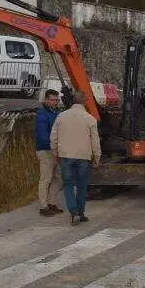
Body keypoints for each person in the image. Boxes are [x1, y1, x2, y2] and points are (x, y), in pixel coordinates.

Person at [50, 90, 101, 225]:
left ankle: (74, 212)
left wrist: (55, 153)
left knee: (68, 185)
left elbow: (53, 137)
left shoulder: (61, 116)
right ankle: (81, 213)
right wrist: (96, 157)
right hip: (84, 157)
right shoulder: (90, 119)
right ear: (84, 102)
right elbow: (95, 141)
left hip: (66, 156)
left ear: (73, 100)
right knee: (82, 186)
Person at [35, 89, 63, 217]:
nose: (55, 102)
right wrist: (54, 148)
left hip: (56, 150)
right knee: (45, 179)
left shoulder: (57, 113)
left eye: (56, 100)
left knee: (58, 178)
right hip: (46, 150)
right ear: (46, 100)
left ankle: (52, 203)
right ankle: (43, 206)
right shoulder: (42, 114)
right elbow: (42, 136)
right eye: (52, 100)